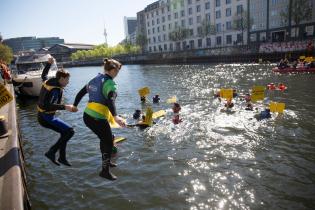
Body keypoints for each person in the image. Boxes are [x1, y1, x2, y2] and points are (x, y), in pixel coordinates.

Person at [73, 58, 125, 181]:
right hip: (97, 117)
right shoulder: (110, 83)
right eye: (117, 71)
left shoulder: (94, 79)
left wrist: (75, 105)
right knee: (107, 142)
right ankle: (105, 171)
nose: (117, 74)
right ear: (112, 70)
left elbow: (81, 92)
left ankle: (107, 163)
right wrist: (116, 116)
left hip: (88, 116)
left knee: (106, 138)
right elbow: (110, 99)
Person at [37, 57, 76, 166]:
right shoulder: (55, 90)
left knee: (65, 132)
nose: (68, 82)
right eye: (67, 80)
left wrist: (48, 64)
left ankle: (62, 158)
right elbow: (48, 105)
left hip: (43, 116)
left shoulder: (49, 81)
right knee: (70, 131)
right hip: (46, 117)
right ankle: (51, 152)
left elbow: (43, 75)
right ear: (61, 79)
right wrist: (66, 107)